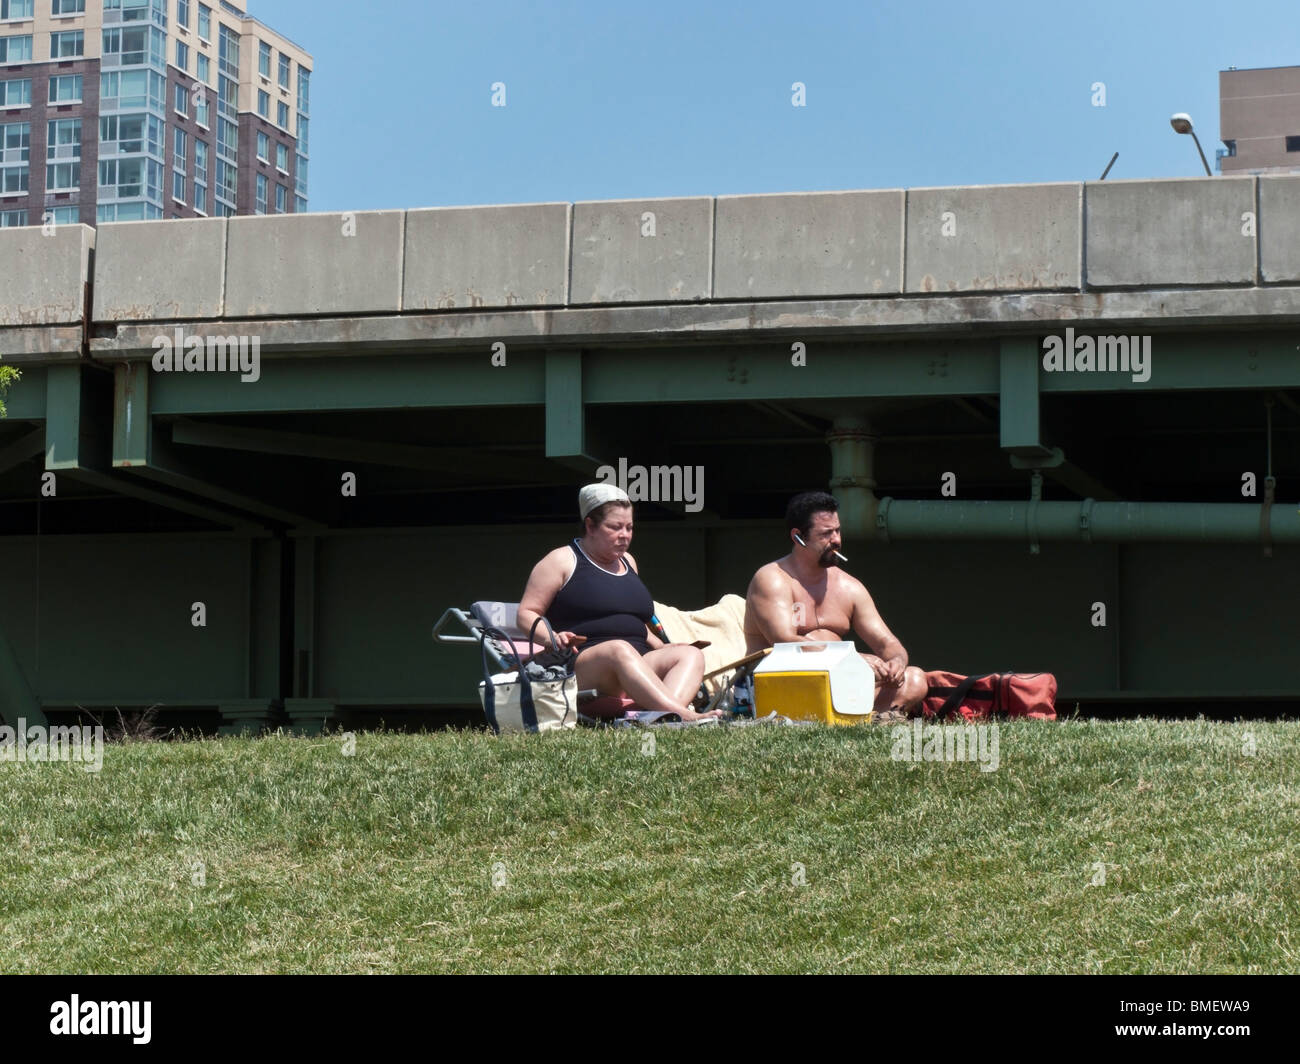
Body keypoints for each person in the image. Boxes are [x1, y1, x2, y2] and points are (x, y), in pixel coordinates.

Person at [517, 484, 721, 721]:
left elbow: (633, 622)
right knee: (618, 648)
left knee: (690, 654)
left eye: (629, 527)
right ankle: (681, 715)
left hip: (637, 662)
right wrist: (551, 637)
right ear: (590, 525)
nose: (624, 535)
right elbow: (526, 613)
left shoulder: (628, 562)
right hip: (584, 665)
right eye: (615, 527)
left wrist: (662, 647)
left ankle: (661, 719)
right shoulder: (561, 561)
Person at [745, 491, 927, 719]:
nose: (837, 541)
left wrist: (896, 663)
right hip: (786, 682)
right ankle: (856, 716)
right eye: (826, 534)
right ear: (798, 537)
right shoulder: (772, 579)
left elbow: (887, 643)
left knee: (915, 678)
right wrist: (852, 658)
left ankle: (874, 718)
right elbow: (784, 643)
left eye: (838, 530)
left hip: (841, 682)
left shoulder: (849, 586)